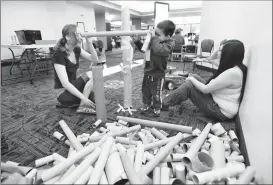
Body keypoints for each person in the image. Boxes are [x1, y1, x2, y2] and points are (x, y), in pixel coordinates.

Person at [162, 40, 247, 121]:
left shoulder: (231, 73)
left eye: (221, 51)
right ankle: (176, 96)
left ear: (229, 54)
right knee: (195, 76)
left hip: (221, 112)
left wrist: (190, 79)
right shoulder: (233, 66)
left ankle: (164, 103)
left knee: (189, 85)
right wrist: (218, 50)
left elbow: (205, 89)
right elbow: (211, 60)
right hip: (217, 100)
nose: (218, 53)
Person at [52, 24, 99, 113]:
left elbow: (94, 59)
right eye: (77, 34)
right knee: (92, 75)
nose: (81, 37)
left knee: (92, 97)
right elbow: (65, 84)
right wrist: (84, 98)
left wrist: (89, 42)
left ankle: (81, 104)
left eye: (80, 34)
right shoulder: (59, 55)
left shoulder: (76, 49)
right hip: (63, 91)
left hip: (73, 85)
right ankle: (82, 105)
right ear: (68, 37)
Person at [140, 20, 176, 117]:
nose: (156, 36)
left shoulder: (169, 44)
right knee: (145, 91)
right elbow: (144, 48)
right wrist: (137, 41)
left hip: (158, 74)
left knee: (156, 93)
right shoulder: (156, 40)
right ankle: (146, 104)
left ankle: (157, 107)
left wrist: (154, 37)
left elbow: (158, 50)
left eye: (158, 34)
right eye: (155, 34)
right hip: (148, 71)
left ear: (168, 36)